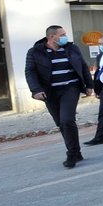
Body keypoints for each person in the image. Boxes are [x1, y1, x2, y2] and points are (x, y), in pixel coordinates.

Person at [25, 25, 94, 168]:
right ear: (52, 37)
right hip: (50, 92)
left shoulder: (71, 48)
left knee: (67, 120)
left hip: (70, 88)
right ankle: (77, 151)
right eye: (62, 34)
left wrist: (89, 85)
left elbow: (82, 66)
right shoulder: (35, 52)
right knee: (61, 123)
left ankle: (71, 154)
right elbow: (30, 72)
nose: (65, 36)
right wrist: (36, 90)